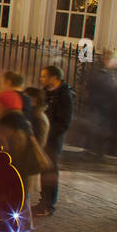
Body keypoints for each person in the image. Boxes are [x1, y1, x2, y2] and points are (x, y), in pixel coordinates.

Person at [34, 65, 73, 217]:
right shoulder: (46, 92)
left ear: (54, 77)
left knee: (50, 170)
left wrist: (49, 134)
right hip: (43, 137)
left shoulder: (64, 95)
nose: (41, 79)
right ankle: (43, 201)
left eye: (44, 76)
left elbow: (64, 122)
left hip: (53, 140)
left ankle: (48, 204)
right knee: (44, 170)